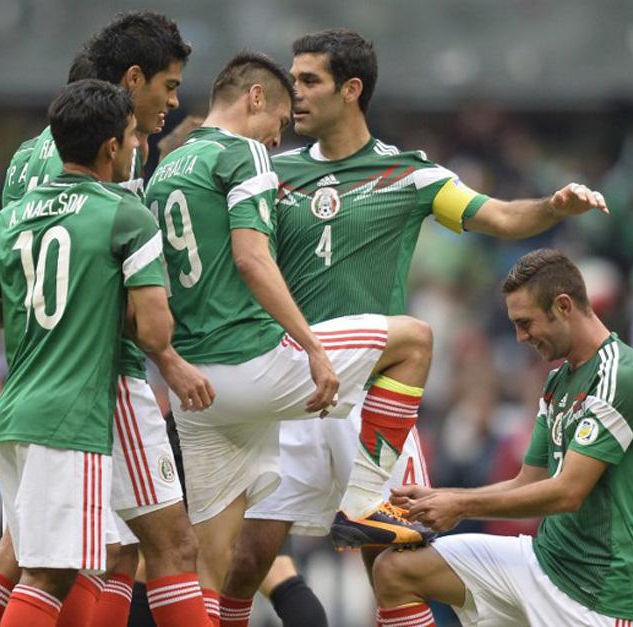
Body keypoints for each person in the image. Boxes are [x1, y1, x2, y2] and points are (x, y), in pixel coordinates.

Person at [222, 28, 610, 623]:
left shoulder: (409, 175)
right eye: (292, 79)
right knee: (247, 560)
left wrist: (553, 208)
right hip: (297, 390)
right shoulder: (271, 172)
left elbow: (501, 217)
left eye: (308, 81)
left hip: (376, 401)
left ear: (351, 90)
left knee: (392, 570)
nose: (292, 94)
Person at [144, 50, 435, 627]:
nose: (279, 138)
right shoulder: (243, 152)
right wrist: (312, 345)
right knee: (416, 339)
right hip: (254, 366)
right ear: (255, 99)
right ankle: (365, 501)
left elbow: (151, 291)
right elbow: (252, 259)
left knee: (211, 566)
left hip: (197, 391)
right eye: (278, 123)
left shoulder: (162, 173)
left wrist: (169, 361)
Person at [0, 13, 215, 627]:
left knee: (74, 551)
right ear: (130, 83)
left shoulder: (28, 156)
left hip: (31, 371)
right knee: (160, 547)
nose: (172, 102)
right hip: (102, 377)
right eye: (168, 85)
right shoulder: (114, 170)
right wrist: (165, 359)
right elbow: (112, 284)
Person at [371, 248, 633, 627]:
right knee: (395, 570)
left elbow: (568, 492)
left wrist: (459, 506)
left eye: (526, 323)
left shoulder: (622, 376)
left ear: (563, 306)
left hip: (597, 598)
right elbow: (529, 481)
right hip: (542, 560)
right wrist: (444, 497)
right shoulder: (558, 381)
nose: (520, 336)